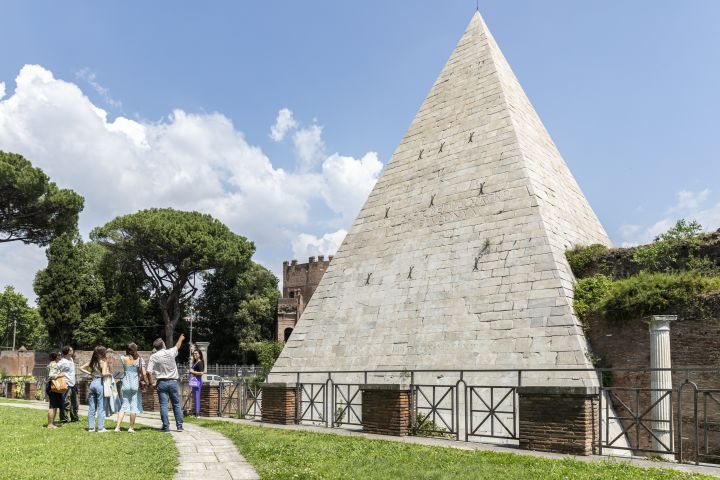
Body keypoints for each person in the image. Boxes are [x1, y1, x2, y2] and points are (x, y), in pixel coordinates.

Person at [147, 334, 185, 432]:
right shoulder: (170, 352)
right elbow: (177, 345)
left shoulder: (154, 357)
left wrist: (151, 384)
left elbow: (148, 371)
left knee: (163, 405)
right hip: (173, 382)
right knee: (176, 404)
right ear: (163, 344)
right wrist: (181, 338)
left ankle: (166, 426)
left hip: (161, 383)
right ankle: (179, 426)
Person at [114, 343, 146, 432]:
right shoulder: (140, 360)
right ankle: (131, 428)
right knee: (134, 406)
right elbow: (143, 373)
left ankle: (117, 427)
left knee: (123, 406)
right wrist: (142, 380)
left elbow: (124, 360)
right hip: (135, 385)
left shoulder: (123, 358)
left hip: (125, 384)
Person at [79, 346, 112, 432]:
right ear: (102, 352)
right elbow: (104, 373)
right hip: (100, 383)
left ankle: (91, 428)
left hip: (93, 383)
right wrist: (109, 374)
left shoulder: (92, 362)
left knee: (92, 407)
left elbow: (81, 368)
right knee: (101, 406)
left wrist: (90, 373)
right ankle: (100, 428)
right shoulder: (103, 361)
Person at [57, 346, 78, 423]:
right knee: (65, 403)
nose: (73, 351)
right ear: (68, 352)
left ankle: (74, 418)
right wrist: (60, 378)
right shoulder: (62, 362)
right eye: (71, 350)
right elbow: (53, 369)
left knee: (74, 403)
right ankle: (64, 419)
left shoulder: (71, 359)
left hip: (73, 384)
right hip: (66, 384)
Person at [46, 352, 64, 429]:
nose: (60, 356)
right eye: (59, 355)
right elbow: (51, 376)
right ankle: (50, 424)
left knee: (55, 405)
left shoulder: (53, 363)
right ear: (56, 356)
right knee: (52, 406)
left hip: (54, 386)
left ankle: (52, 423)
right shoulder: (53, 364)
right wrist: (60, 375)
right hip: (53, 386)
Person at [189, 349, 205, 417]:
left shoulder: (200, 362)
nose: (195, 355)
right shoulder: (195, 362)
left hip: (198, 381)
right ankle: (195, 412)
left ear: (199, 355)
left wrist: (193, 372)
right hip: (194, 381)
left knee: (197, 397)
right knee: (194, 398)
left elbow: (201, 373)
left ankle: (197, 414)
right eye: (194, 353)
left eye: (196, 353)